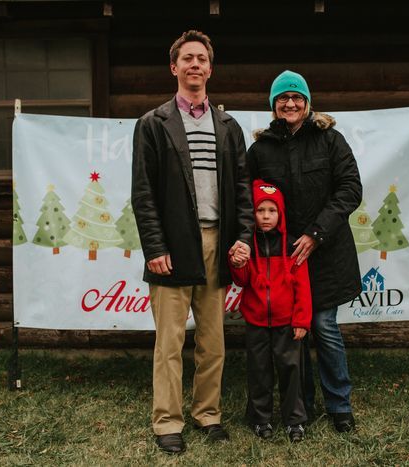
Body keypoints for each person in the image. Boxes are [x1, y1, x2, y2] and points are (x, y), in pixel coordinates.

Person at [131, 30, 254, 454]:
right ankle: (167, 422)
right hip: (174, 244)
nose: (195, 65)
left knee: (212, 340)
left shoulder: (228, 126)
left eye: (202, 58)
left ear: (210, 67)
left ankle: (209, 415)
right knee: (169, 343)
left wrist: (242, 239)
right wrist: (155, 247)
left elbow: (242, 190)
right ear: (174, 67)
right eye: (187, 58)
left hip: (217, 243)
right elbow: (143, 193)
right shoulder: (153, 124)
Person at [246, 70, 362, 433]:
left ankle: (339, 405)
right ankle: (302, 406)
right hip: (281, 259)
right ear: (273, 105)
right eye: (283, 98)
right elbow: (246, 199)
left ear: (307, 102)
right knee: (293, 332)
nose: (290, 103)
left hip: (326, 252)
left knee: (323, 326)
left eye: (296, 97)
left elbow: (350, 189)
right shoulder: (261, 149)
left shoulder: (330, 140)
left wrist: (315, 233)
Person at [229, 180, 312, 443]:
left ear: (280, 214)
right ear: (252, 213)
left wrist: (301, 320)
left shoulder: (291, 246)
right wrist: (237, 263)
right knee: (259, 371)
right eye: (260, 210)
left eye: (271, 211)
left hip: (287, 322)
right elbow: (242, 281)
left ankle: (295, 421)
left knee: (291, 370)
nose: (266, 216)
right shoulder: (247, 245)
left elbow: (303, 287)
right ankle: (260, 418)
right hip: (256, 321)